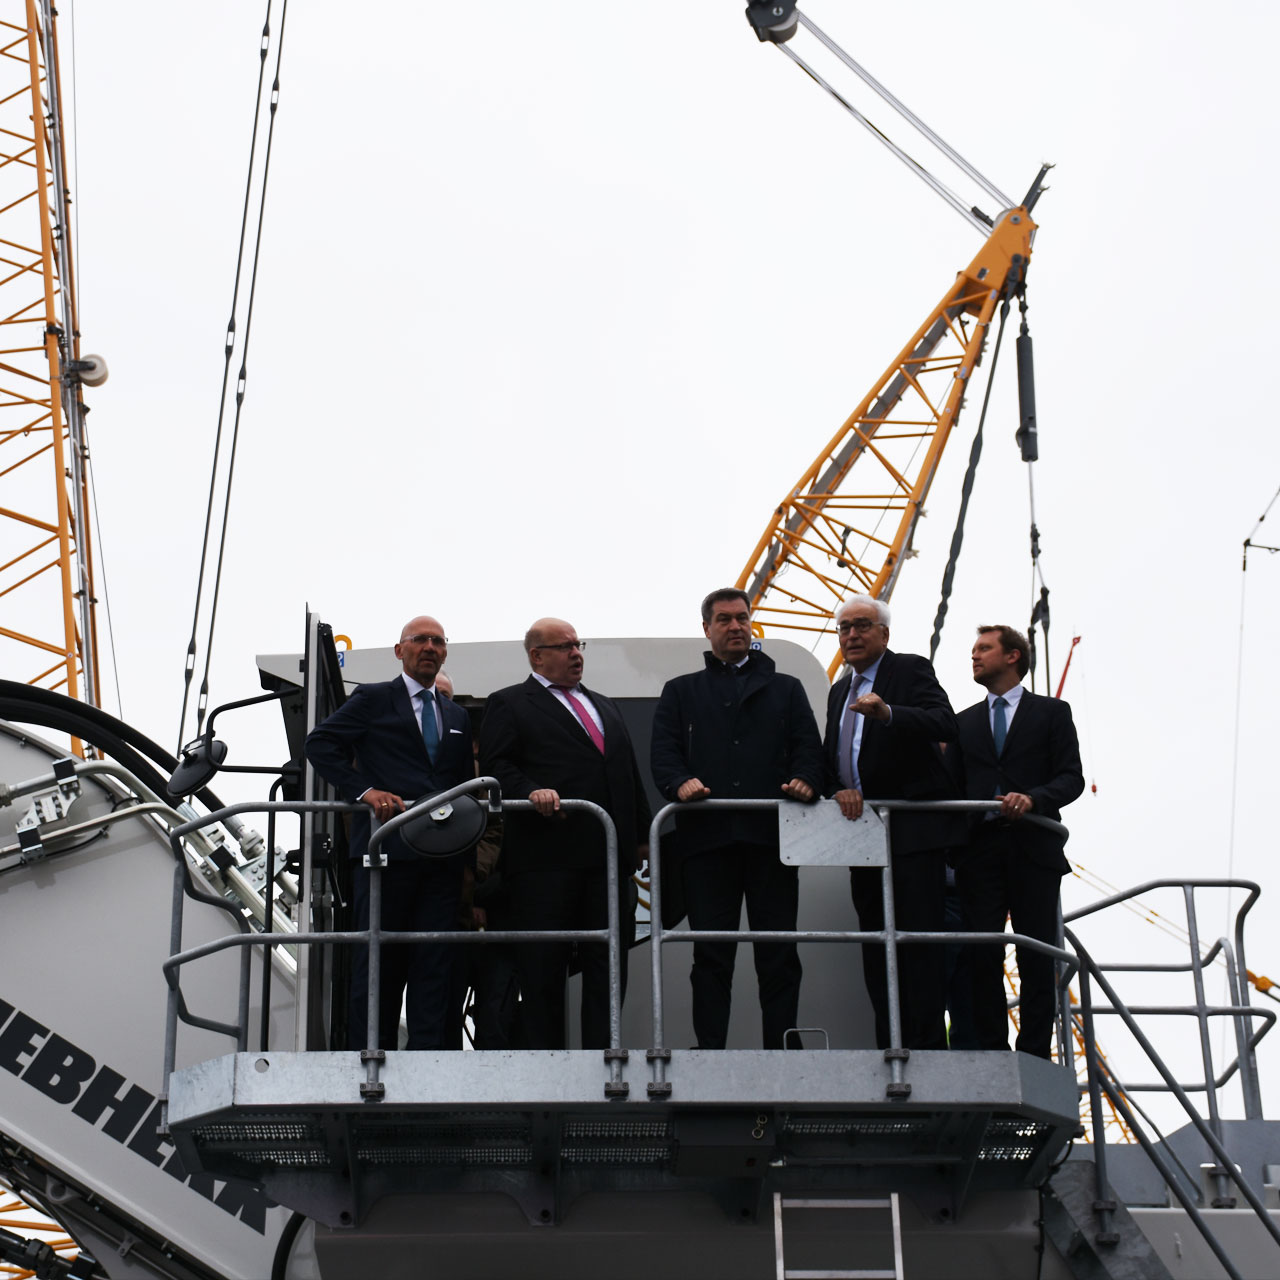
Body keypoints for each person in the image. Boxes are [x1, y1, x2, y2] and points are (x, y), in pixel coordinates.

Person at [650, 588, 823, 1050]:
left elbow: (810, 746)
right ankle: (709, 1049)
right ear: (706, 629)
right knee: (710, 954)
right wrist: (679, 783)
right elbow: (663, 755)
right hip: (707, 843)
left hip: (772, 842)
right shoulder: (681, 691)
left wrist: (806, 778)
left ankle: (783, 1047)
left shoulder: (787, 688)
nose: (735, 626)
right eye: (724, 619)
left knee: (779, 954)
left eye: (742, 618)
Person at [478, 618, 650, 1049]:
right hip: (545, 861)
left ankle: (603, 1060)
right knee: (543, 970)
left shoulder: (605, 705)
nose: (577, 654)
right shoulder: (510, 703)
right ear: (537, 655)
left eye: (579, 645)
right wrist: (529, 790)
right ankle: (548, 1065)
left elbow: (626, 773)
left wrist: (642, 837)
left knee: (607, 967)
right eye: (565, 646)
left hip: (607, 862)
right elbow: (498, 766)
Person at [304, 616, 474, 1051]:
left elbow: (460, 786)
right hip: (386, 856)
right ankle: (372, 1062)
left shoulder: (455, 714)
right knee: (379, 963)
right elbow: (320, 744)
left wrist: (467, 867)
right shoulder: (374, 699)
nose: (430, 647)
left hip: (441, 861)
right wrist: (364, 790)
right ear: (400, 651)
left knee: (433, 965)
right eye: (420, 640)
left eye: (438, 641)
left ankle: (427, 1065)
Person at [824, 593, 961, 1051]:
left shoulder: (910, 670)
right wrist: (833, 787)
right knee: (875, 949)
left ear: (885, 633)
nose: (852, 634)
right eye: (844, 627)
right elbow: (834, 755)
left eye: (862, 625)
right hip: (860, 837)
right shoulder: (838, 691)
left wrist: (888, 714)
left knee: (917, 948)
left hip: (912, 835)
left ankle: (925, 1054)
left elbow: (944, 723)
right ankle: (892, 1049)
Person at [946, 624, 1085, 1059]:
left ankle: (1034, 1054)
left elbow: (1071, 778)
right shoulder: (962, 723)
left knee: (1037, 955)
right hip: (980, 852)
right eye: (973, 650)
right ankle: (991, 1050)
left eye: (984, 648)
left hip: (1033, 850)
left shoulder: (1052, 713)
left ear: (1012, 657)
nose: (975, 656)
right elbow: (950, 786)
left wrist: (1034, 799)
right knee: (982, 955)